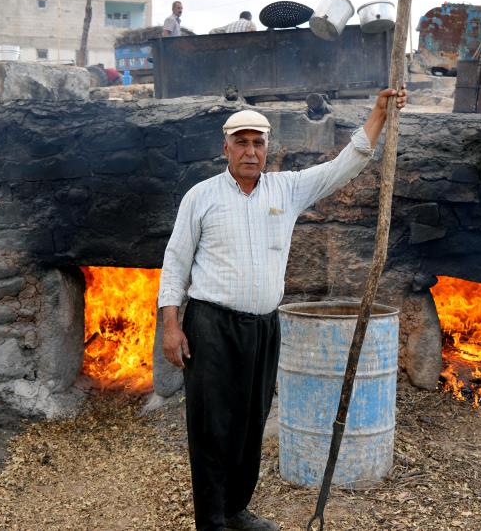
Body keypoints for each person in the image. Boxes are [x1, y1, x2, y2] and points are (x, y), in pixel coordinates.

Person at [157, 86, 407, 531]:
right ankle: (211, 521)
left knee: (252, 422)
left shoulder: (287, 189)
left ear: (269, 147)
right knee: (212, 425)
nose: (250, 151)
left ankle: (235, 510)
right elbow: (175, 263)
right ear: (226, 147)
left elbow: (344, 165)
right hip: (211, 325)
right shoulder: (201, 196)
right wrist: (171, 327)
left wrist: (379, 115)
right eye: (242, 142)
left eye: (258, 142)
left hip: (263, 327)